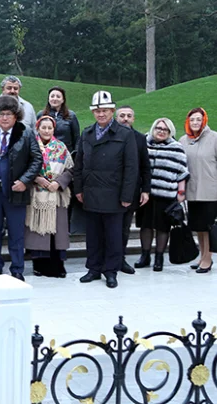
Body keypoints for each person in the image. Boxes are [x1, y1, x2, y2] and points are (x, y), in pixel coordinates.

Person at [72, 91, 138, 289]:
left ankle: (110, 271)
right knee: (93, 235)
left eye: (105, 111)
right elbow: (79, 163)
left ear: (112, 111)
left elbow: (131, 167)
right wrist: (78, 189)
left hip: (114, 194)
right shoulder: (87, 133)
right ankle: (93, 268)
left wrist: (127, 195)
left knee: (113, 236)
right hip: (91, 193)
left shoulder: (125, 134)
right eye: (97, 111)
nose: (101, 114)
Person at [0, 95, 42, 281]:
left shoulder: (26, 132)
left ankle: (17, 269)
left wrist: (25, 180)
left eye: (8, 114)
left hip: (16, 191)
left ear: (16, 116)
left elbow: (37, 159)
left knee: (16, 233)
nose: (4, 117)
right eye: (1, 114)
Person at [179, 108, 217, 274]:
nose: (195, 122)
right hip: (193, 192)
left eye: (198, 119)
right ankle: (203, 255)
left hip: (211, 192)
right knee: (199, 227)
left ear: (204, 120)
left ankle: (208, 258)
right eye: (192, 119)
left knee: (208, 227)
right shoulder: (183, 140)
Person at [136, 118, 189, 272]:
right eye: (158, 128)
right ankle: (144, 255)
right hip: (146, 194)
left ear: (170, 132)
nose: (160, 131)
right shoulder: (144, 144)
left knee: (162, 227)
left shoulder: (177, 148)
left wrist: (181, 192)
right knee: (145, 226)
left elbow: (182, 172)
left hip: (166, 194)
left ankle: (159, 257)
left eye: (165, 129)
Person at [25, 116, 74, 278]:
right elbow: (23, 166)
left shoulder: (61, 147)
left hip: (56, 194)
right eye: (43, 127)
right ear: (38, 128)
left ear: (54, 130)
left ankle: (58, 266)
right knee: (39, 231)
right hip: (37, 195)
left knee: (56, 233)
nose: (46, 131)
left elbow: (70, 169)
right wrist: (37, 178)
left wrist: (59, 183)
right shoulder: (31, 146)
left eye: (49, 128)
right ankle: (39, 265)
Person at [114, 105, 151, 274]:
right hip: (110, 190)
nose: (125, 119)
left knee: (124, 228)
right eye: (122, 115)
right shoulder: (109, 135)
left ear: (133, 119)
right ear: (116, 118)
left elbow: (145, 166)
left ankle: (120, 259)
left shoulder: (139, 139)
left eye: (129, 116)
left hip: (132, 191)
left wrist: (146, 190)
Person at [36, 86, 79, 151]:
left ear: (63, 100)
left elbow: (77, 138)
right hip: (45, 154)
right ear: (48, 99)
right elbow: (36, 136)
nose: (55, 99)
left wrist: (75, 155)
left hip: (66, 154)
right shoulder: (41, 115)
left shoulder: (71, 116)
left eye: (58, 97)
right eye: (52, 96)